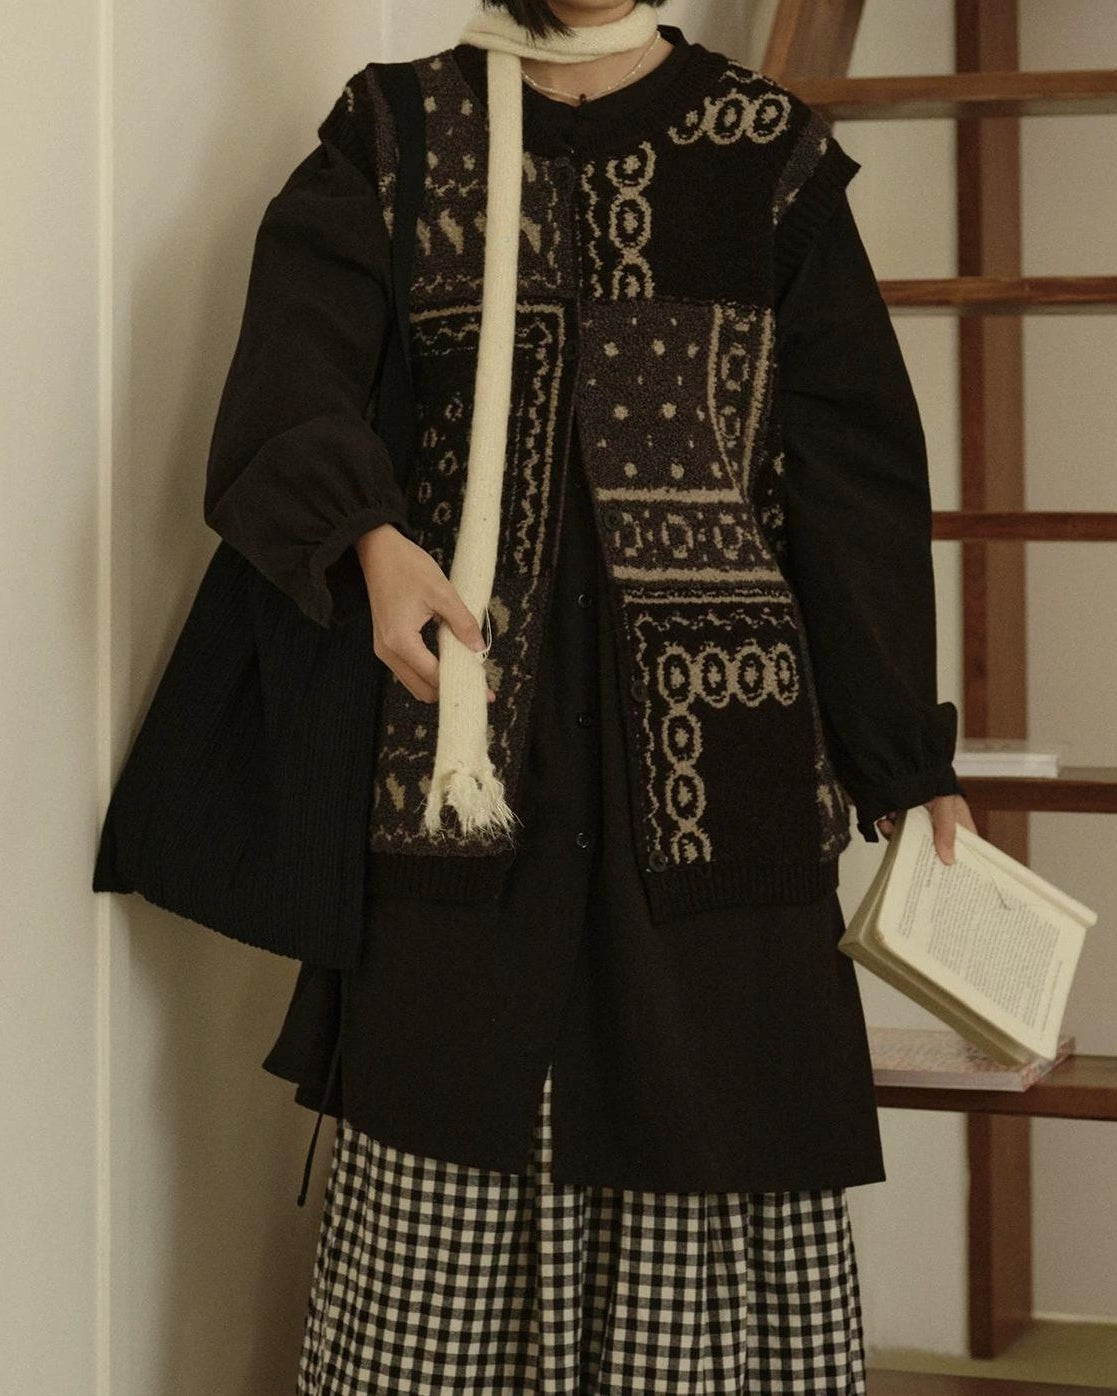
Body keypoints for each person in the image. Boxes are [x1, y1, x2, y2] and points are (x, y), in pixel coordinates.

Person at [204, 2, 978, 1390]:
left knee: (706, 1120)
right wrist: (366, 539)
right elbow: (291, 376)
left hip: (720, 783)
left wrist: (902, 758)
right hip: (465, 754)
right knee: (445, 1140)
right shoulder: (398, 130)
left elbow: (853, 479)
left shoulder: (764, 151)